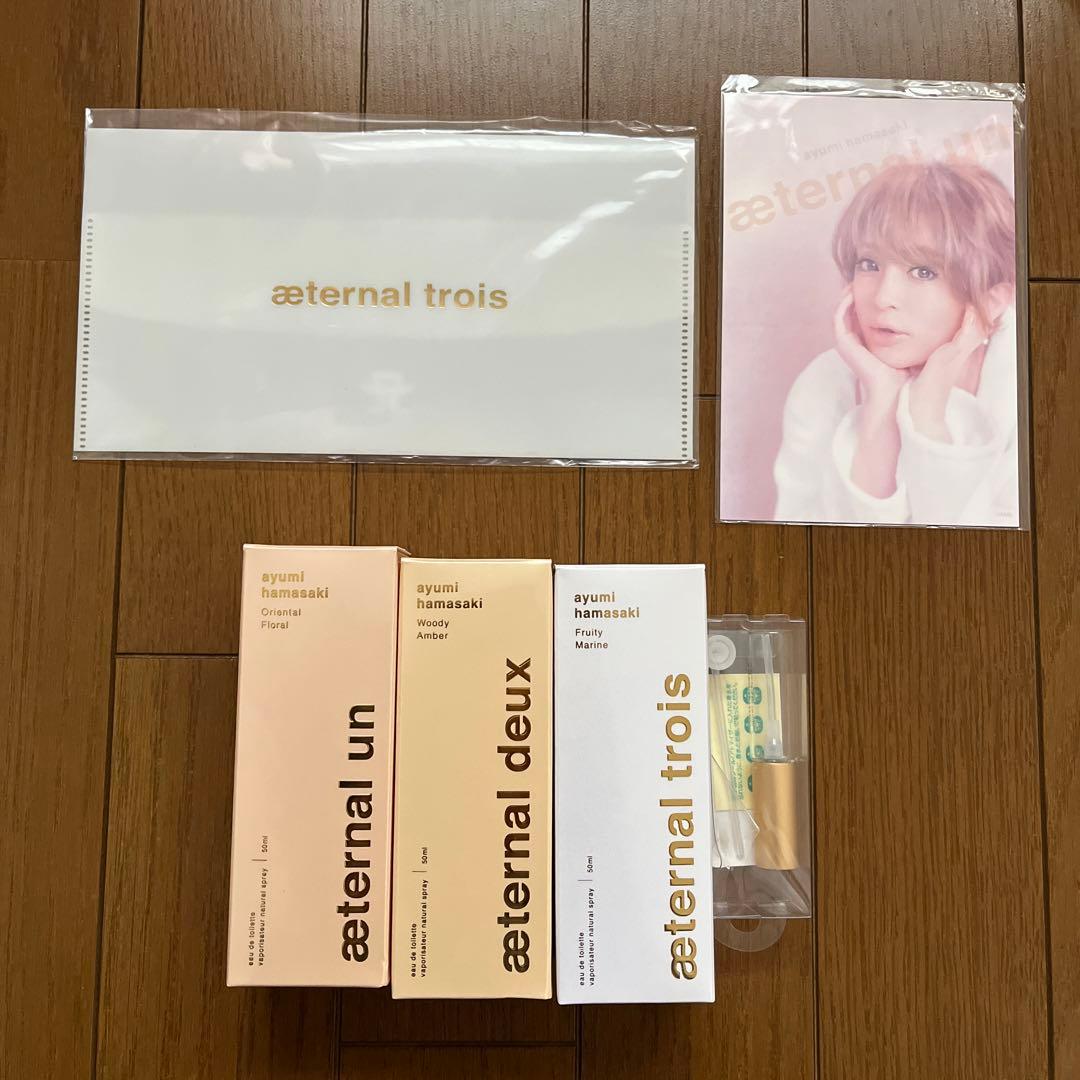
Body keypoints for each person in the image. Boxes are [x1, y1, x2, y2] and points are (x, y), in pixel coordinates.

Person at [773, 161, 1019, 526]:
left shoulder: (1028, 386)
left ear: (991, 299)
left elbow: (987, 547)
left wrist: (929, 408)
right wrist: (881, 406)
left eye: (923, 271)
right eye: (869, 264)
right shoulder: (825, 383)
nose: (883, 297)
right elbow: (807, 537)